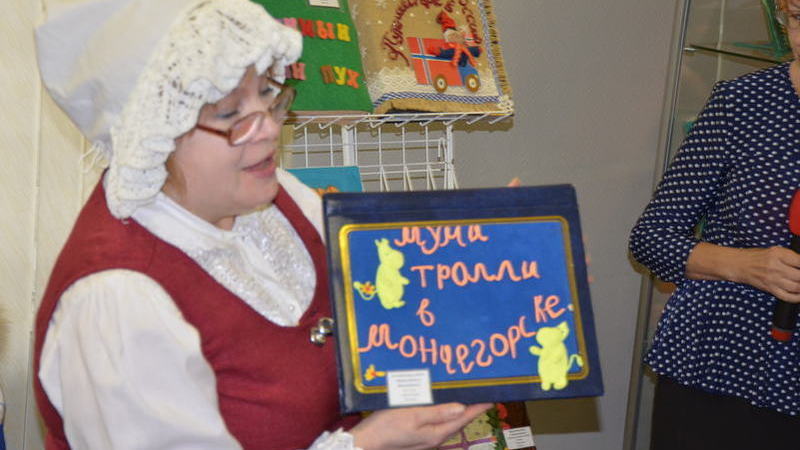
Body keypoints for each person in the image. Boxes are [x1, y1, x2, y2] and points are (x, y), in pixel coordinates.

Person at [32, 0, 489, 448]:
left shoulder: (269, 194)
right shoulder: (116, 301)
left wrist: (488, 251)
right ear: (153, 133)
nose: (269, 127)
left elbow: (384, 293)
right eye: (231, 113)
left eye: (267, 93)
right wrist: (367, 444)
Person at [629, 1, 800, 448]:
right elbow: (651, 239)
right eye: (799, 17)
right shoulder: (743, 102)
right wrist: (747, 266)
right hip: (719, 366)